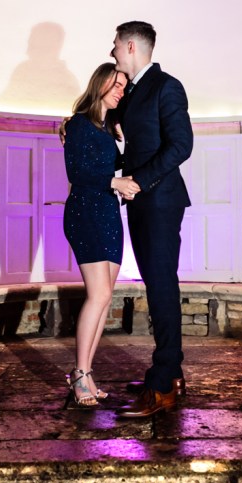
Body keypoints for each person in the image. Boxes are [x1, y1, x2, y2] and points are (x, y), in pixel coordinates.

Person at [109, 20, 194, 419]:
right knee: (156, 286)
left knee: (162, 288)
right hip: (142, 202)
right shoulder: (134, 91)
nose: (111, 52)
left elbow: (182, 145)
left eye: (114, 46)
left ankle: (162, 386)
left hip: (159, 202)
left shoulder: (166, 86)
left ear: (130, 46)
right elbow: (129, 132)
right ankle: (170, 373)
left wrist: (138, 182)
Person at [62, 62, 140, 407]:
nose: (121, 90)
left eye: (124, 85)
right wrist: (115, 182)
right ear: (100, 84)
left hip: (108, 213)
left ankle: (87, 373)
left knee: (105, 297)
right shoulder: (79, 124)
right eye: (116, 83)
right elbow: (77, 173)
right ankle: (79, 373)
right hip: (86, 214)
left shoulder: (108, 129)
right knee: (97, 296)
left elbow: (113, 166)